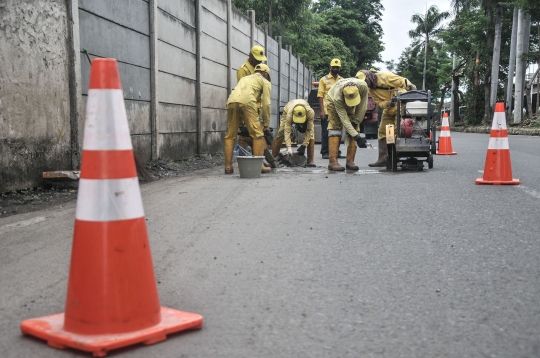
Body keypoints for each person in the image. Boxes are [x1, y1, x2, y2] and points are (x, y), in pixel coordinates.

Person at [356, 70, 416, 167]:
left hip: (401, 105)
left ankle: (396, 158)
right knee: (382, 131)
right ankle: (382, 158)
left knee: (397, 130)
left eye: (365, 80)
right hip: (389, 109)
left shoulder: (384, 76)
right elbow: (379, 103)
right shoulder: (371, 90)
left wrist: (410, 85)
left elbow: (401, 80)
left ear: (368, 76)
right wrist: (388, 103)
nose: (365, 83)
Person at [224, 64, 272, 174]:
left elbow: (239, 97)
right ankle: (259, 166)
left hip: (231, 101)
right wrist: (266, 124)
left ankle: (228, 167)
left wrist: (241, 124)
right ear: (265, 73)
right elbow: (266, 104)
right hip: (248, 102)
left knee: (230, 135)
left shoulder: (245, 78)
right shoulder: (265, 81)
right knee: (257, 134)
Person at [325, 78, 368, 171]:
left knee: (355, 127)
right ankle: (332, 162)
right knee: (335, 127)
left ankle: (350, 161)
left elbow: (362, 108)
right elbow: (344, 119)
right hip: (332, 101)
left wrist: (355, 122)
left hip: (350, 99)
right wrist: (357, 137)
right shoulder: (337, 97)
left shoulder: (363, 86)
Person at [236, 45, 268, 152]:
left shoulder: (258, 69)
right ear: (250, 56)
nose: (259, 62)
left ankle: (258, 160)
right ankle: (246, 159)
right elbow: (243, 90)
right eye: (257, 59)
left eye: (260, 60)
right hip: (248, 105)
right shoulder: (243, 70)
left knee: (256, 135)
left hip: (257, 108)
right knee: (247, 134)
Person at [272, 99, 316, 167]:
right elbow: (287, 131)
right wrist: (288, 147)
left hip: (305, 109)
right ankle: (274, 157)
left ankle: (310, 160)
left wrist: (304, 146)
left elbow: (309, 130)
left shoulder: (310, 112)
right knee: (281, 131)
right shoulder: (289, 113)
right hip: (288, 108)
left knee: (311, 133)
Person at [317, 58, 344, 159]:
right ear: (330, 67)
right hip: (327, 111)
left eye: (337, 67)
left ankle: (336, 151)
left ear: (340, 68)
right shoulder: (323, 80)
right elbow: (320, 96)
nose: (335, 69)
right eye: (334, 67)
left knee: (337, 132)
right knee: (326, 132)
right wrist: (322, 111)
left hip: (338, 112)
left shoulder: (342, 80)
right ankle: (325, 152)